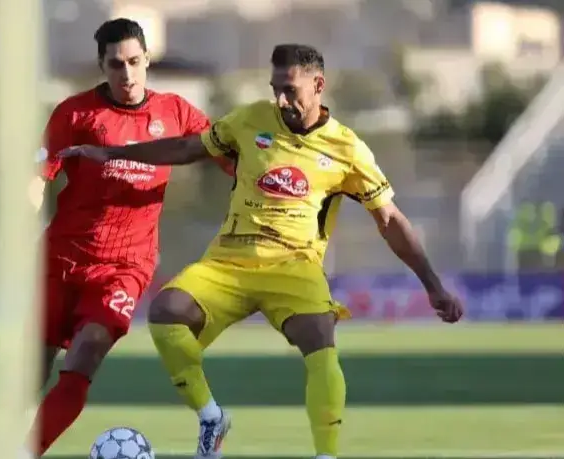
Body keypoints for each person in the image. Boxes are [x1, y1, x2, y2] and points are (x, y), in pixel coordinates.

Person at [59, 44, 464, 459]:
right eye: (275, 89)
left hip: (294, 265)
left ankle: (326, 455)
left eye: (290, 90)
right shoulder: (250, 120)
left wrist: (432, 285)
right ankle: (212, 416)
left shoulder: (347, 148)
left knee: (320, 339)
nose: (281, 100)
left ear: (318, 85)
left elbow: (390, 220)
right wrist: (111, 153)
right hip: (228, 262)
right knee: (165, 313)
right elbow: (186, 148)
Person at [24, 18, 231, 457]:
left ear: (147, 60)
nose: (128, 74)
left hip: (125, 268)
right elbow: (39, 175)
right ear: (102, 66)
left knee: (85, 356)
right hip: (61, 259)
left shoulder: (175, 112)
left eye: (135, 62)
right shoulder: (74, 113)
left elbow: (226, 151)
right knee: (31, 370)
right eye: (116, 64)